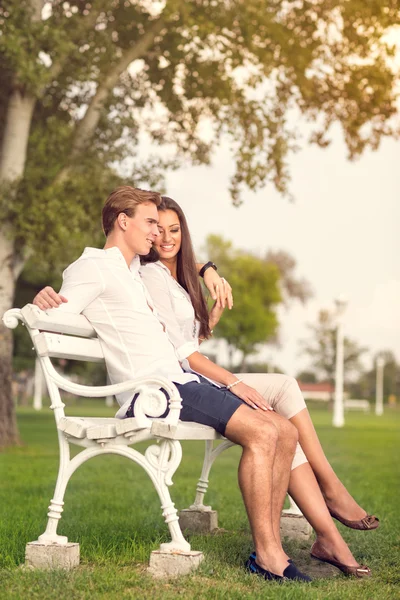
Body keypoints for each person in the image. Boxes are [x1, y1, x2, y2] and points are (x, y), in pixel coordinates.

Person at [35, 193, 376, 578]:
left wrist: (207, 269)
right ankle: (268, 557)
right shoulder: (93, 266)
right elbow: (54, 311)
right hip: (156, 392)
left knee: (283, 429)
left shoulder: (128, 269)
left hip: (180, 382)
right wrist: (41, 300)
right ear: (122, 222)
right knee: (265, 433)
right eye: (149, 222)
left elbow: (174, 263)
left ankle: (274, 548)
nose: (155, 232)